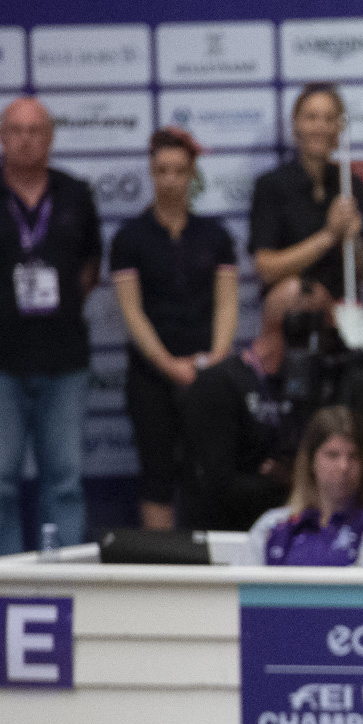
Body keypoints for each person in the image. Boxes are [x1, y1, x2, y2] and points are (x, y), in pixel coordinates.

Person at [0, 97, 102, 558]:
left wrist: (60, 308)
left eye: (36, 130)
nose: (27, 139)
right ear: (1, 136)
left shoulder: (76, 194)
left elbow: (89, 269)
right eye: (17, 130)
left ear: (50, 137)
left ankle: (65, 584)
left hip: (64, 359)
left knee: (64, 481)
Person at [108, 128, 240, 530]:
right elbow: (132, 313)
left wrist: (214, 361)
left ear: (192, 174)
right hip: (152, 374)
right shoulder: (129, 238)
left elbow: (227, 302)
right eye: (162, 171)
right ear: (151, 172)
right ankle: (162, 575)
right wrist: (168, 365)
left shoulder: (215, 236)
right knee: (158, 475)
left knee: (209, 476)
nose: (170, 180)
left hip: (207, 374)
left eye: (179, 171)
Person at [179, 278, 328, 531]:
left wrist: (293, 478)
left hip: (296, 534)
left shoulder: (315, 384)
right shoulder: (220, 384)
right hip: (231, 538)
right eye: (323, 324)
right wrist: (287, 483)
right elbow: (217, 483)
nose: (330, 336)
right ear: (294, 326)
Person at [249, 83, 363, 301]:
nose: (321, 127)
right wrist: (329, 235)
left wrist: (354, 239)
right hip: (291, 315)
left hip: (342, 310)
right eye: (311, 118)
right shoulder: (271, 186)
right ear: (296, 125)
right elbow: (266, 268)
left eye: (329, 119)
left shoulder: (351, 184)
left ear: (339, 128)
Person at [243, 405, 363, 567]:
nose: (343, 466)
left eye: (354, 456)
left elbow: (360, 592)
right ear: (310, 462)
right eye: (332, 455)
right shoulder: (272, 525)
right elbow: (242, 589)